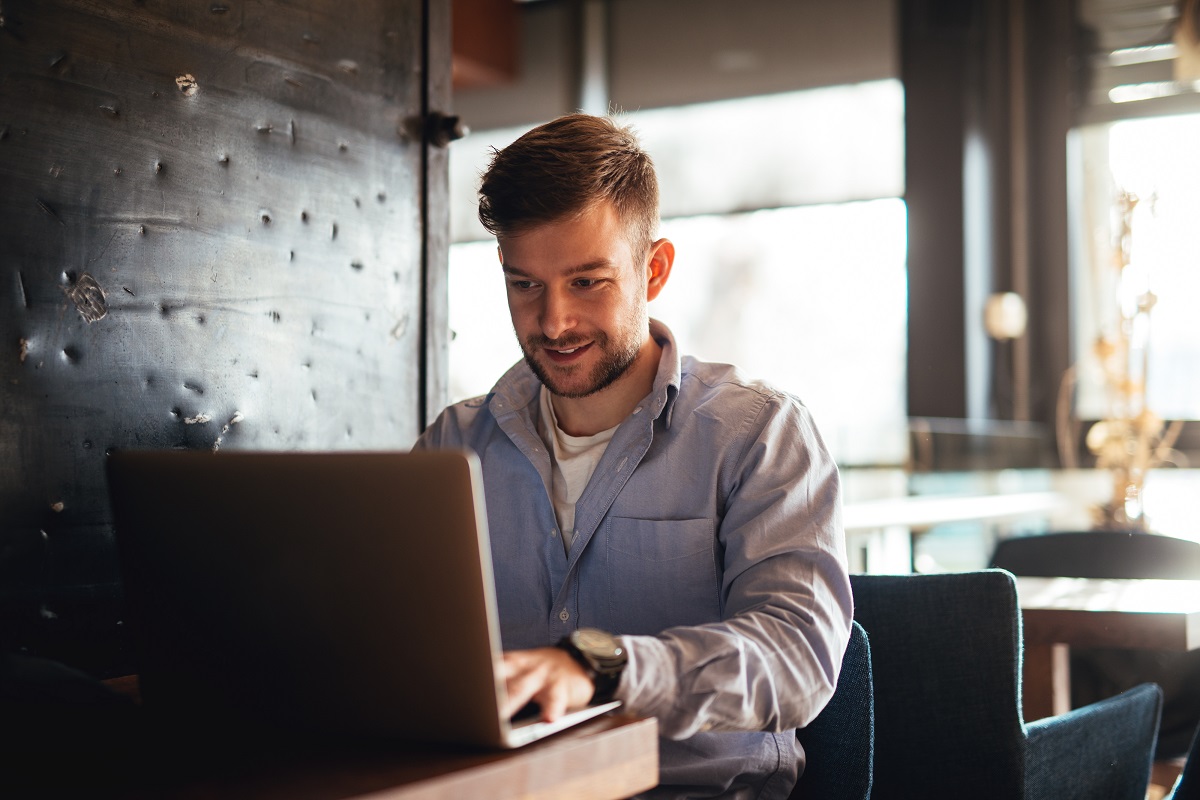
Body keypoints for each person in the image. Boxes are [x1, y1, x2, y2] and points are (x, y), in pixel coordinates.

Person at [416, 113, 852, 799]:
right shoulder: (452, 447)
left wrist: (604, 668)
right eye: (525, 284)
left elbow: (797, 658)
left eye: (587, 282)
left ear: (654, 268)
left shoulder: (759, 434)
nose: (554, 321)